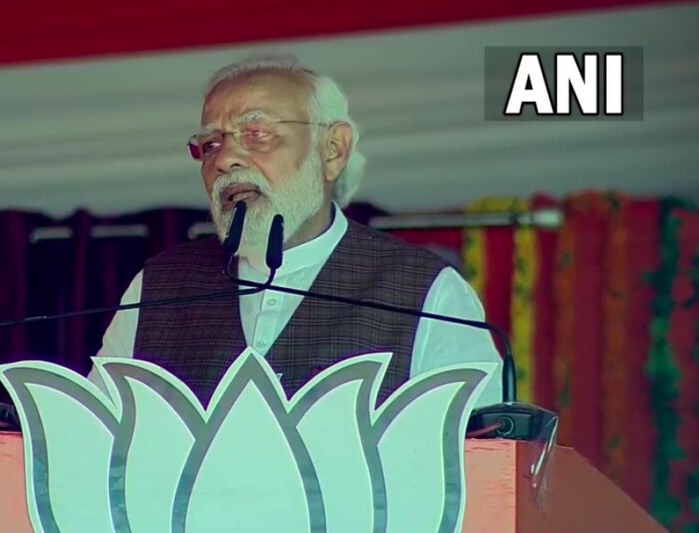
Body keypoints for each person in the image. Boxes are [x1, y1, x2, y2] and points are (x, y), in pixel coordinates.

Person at [92, 55, 502, 409]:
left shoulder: (425, 293)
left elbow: (482, 468)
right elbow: (99, 445)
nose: (225, 160)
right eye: (211, 144)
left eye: (257, 134)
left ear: (332, 150)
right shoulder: (158, 287)